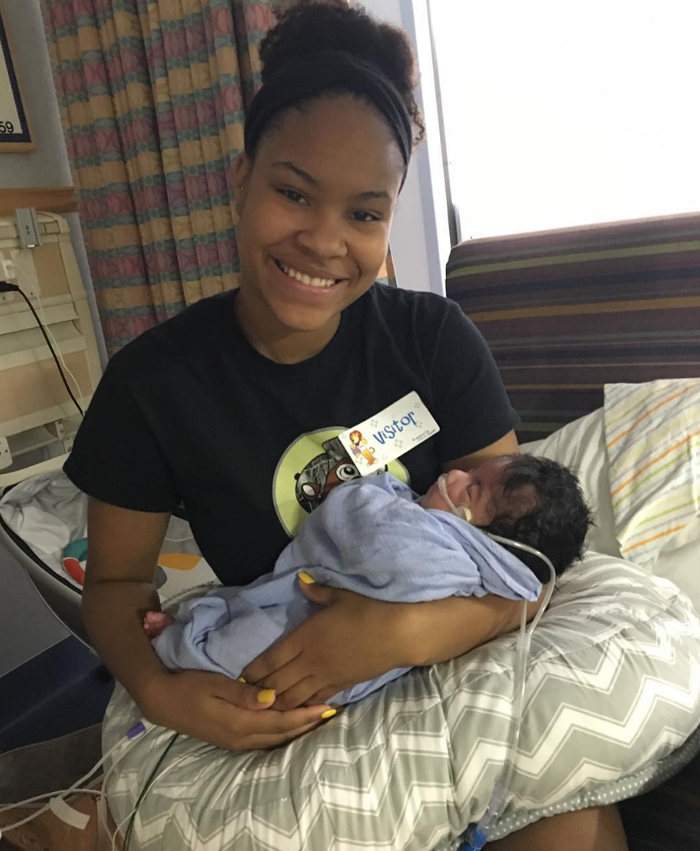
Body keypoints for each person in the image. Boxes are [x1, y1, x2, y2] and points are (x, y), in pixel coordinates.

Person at [62, 2, 629, 848]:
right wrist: (158, 688)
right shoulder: (153, 385)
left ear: (391, 215)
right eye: (293, 192)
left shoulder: (433, 340)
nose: (325, 240)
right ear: (241, 177)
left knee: (571, 801)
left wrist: (401, 631)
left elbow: (527, 558)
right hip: (282, 695)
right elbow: (112, 588)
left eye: (365, 213)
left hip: (445, 665)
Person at [143, 455, 592, 706]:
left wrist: (404, 634)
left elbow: (373, 535)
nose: (454, 475)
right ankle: (191, 627)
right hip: (296, 597)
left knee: (244, 650)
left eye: (471, 489)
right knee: (242, 605)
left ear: (491, 539)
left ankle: (180, 649)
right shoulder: (454, 530)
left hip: (310, 636)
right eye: (470, 472)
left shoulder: (452, 557)